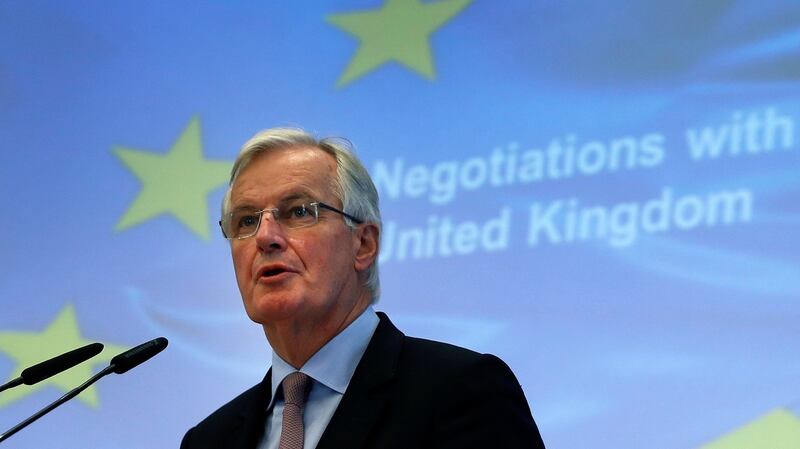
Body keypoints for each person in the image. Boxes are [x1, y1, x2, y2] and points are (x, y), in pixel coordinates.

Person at [180, 128, 546, 449]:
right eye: (246, 220)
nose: (265, 237)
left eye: (298, 212)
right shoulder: (209, 439)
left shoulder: (461, 392)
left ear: (364, 244)